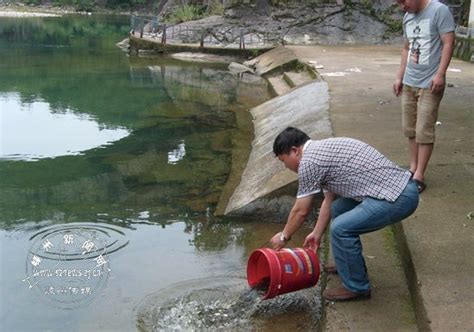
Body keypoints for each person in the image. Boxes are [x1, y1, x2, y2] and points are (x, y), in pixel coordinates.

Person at [269, 127, 419, 301]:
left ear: (294, 151)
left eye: (283, 160)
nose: (285, 166)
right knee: (338, 209)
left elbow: (300, 211)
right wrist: (316, 234)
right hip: (394, 189)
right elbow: (329, 202)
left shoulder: (309, 162)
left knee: (341, 229)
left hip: (398, 197)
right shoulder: (322, 150)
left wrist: (283, 236)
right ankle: (348, 265)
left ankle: (357, 287)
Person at [393, 0, 455, 193]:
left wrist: (440, 74)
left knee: (424, 130)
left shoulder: (439, 11)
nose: (402, 5)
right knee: (410, 128)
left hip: (429, 84)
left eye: (403, 1)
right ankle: (412, 168)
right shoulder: (407, 17)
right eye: (398, 2)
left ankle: (419, 175)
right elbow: (406, 48)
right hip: (410, 81)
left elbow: (448, 43)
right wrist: (399, 76)